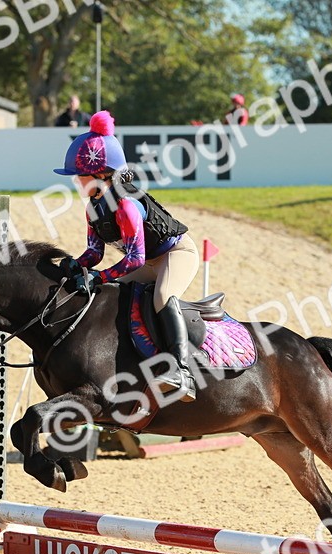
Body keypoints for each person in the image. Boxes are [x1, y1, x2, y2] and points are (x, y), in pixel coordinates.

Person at [54, 110, 200, 401]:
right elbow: (95, 252)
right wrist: (75, 264)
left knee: (162, 296)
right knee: (113, 295)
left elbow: (134, 259)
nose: (76, 182)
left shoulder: (127, 206)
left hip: (177, 254)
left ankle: (181, 371)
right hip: (149, 261)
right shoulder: (93, 208)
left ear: (100, 174)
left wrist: (98, 277)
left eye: (80, 176)